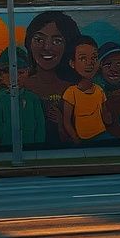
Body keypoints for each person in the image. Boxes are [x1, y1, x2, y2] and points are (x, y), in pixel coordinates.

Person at [24, 10, 81, 143]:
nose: (47, 47)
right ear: (29, 43)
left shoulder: (75, 89)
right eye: (39, 39)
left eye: (57, 41)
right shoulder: (21, 86)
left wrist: (62, 124)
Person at [62, 35, 112, 143]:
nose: (90, 63)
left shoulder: (99, 90)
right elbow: (66, 121)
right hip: (84, 139)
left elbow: (106, 116)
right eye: (83, 58)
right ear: (72, 63)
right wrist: (76, 139)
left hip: (103, 135)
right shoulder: (71, 93)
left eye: (94, 58)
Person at [0, 47, 45, 146]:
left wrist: (38, 144)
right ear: (1, 75)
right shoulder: (0, 97)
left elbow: (40, 125)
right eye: (11, 73)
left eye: (21, 73)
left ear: (27, 72)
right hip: (7, 145)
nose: (16, 77)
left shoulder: (33, 98)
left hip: (31, 145)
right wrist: (7, 134)